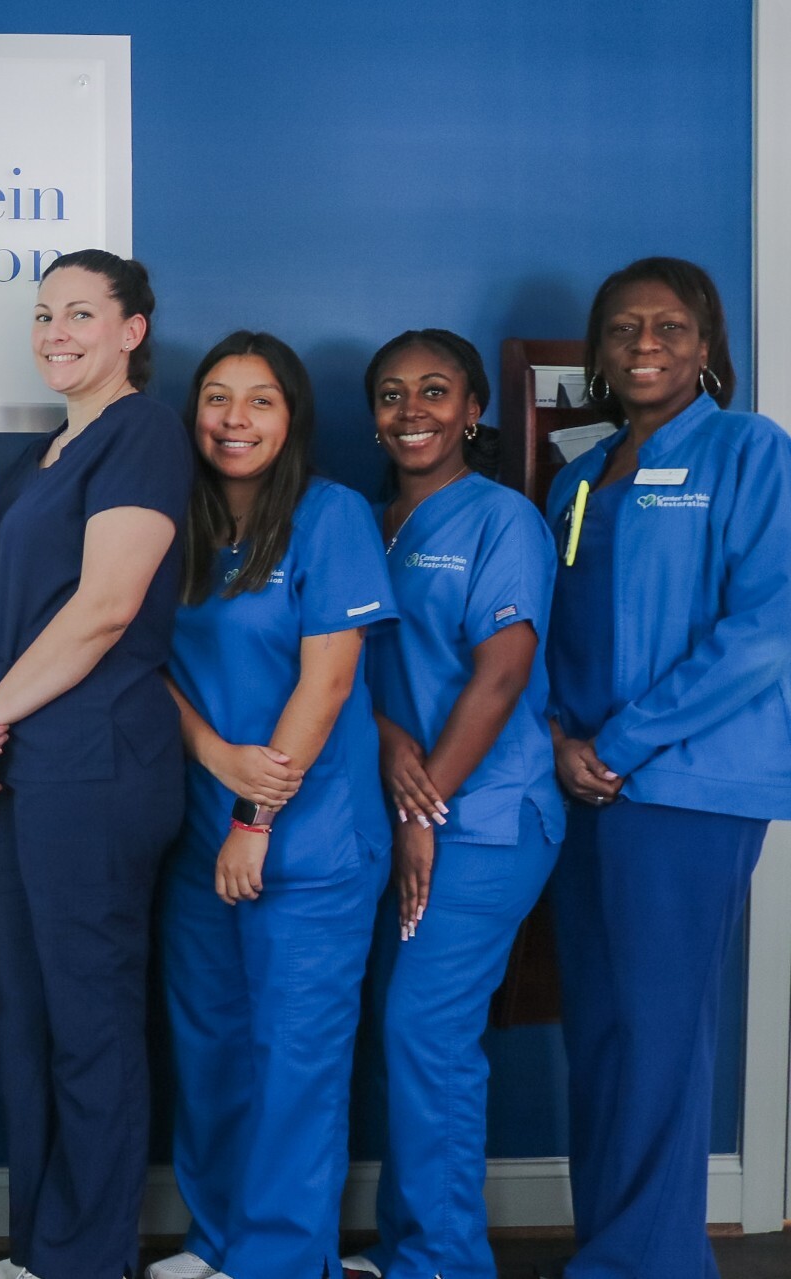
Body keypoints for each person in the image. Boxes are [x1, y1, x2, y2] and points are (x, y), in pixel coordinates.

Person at [544, 257, 791, 1279]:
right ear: (599, 352)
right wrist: (562, 737)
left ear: (708, 346)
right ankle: (612, 1245)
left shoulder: (750, 451)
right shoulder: (574, 475)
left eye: (673, 327)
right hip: (583, 786)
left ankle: (648, 1265)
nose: (647, 345)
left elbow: (764, 630)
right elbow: (550, 632)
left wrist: (621, 743)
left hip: (686, 786)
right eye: (624, 328)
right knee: (599, 1029)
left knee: (657, 1029)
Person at [0, 250, 189, 1279]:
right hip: (18, 767)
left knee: (91, 1024)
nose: (56, 331)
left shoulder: (141, 434)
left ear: (133, 329)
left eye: (82, 313)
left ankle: (90, 1259)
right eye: (45, 313)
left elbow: (103, 609)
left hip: (94, 769)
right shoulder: (44, 456)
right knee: (27, 1023)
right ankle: (40, 1251)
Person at [154, 332, 396, 1279]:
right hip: (198, 831)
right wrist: (215, 757)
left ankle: (286, 1260)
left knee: (294, 1066)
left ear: (292, 416)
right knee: (211, 1053)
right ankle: (216, 1241)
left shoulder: (329, 515)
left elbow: (328, 682)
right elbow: (150, 664)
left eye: (260, 400)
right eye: (218, 397)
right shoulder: (177, 517)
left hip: (310, 843)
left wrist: (256, 817)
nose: (234, 419)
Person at [337, 330, 562, 1279]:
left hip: (484, 817)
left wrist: (423, 811)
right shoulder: (364, 522)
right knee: (408, 1035)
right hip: (397, 811)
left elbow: (502, 675)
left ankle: (446, 1264)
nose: (412, 410)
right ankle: (409, 1246)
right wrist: (391, 747)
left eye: (436, 391)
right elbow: (362, 673)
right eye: (392, 394)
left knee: (425, 1034)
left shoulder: (503, 520)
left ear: (474, 410)